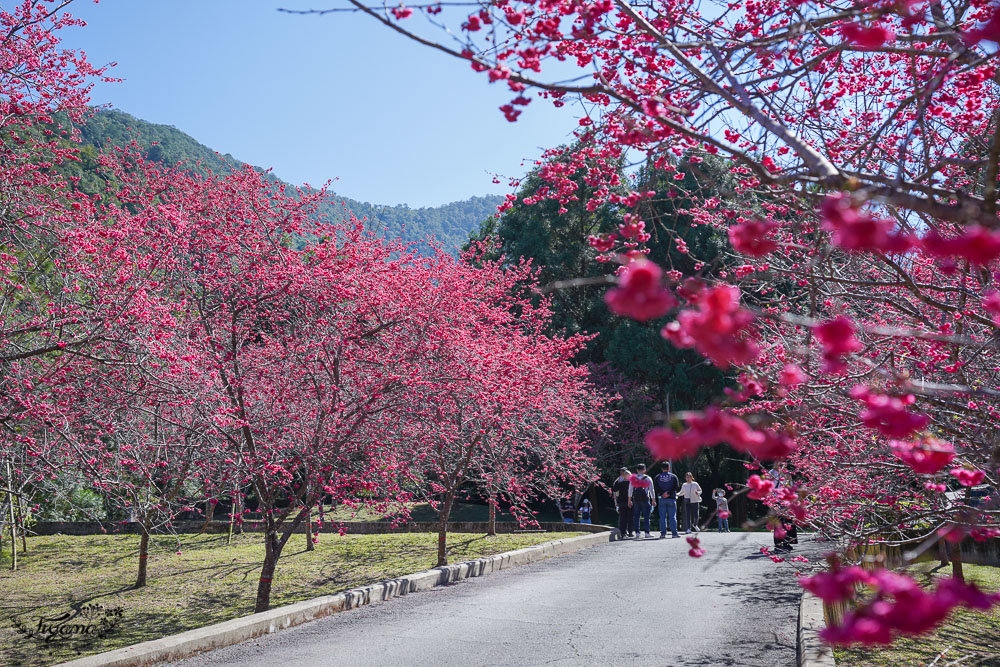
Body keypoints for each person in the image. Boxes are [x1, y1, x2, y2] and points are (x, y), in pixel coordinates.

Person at [629, 463, 655, 539]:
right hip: (645, 499)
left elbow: (630, 490)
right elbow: (651, 490)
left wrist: (629, 500)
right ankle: (647, 532)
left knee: (636, 516)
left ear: (637, 470)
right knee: (647, 516)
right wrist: (653, 499)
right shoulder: (648, 478)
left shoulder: (633, 478)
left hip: (636, 499)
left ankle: (637, 532)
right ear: (644, 470)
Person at [654, 462, 680, 538]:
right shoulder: (673, 476)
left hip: (662, 499)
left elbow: (656, 487)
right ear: (669, 468)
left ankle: (663, 533)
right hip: (671, 498)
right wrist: (669, 493)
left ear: (661, 468)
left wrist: (662, 493)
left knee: (662, 517)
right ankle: (674, 533)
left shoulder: (657, 477)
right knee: (672, 516)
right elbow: (676, 486)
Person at [611, 468, 634, 538]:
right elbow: (614, 490)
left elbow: (614, 489)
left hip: (625, 501)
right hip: (624, 501)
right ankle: (624, 532)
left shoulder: (620, 481)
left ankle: (628, 532)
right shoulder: (620, 481)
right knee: (625, 517)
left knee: (628, 517)